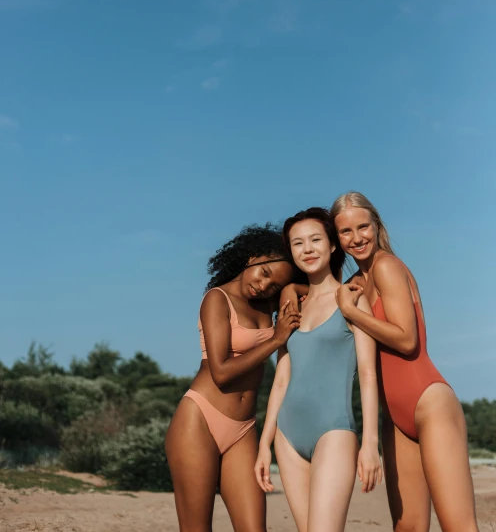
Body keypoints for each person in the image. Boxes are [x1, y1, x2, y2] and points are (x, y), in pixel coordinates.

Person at [331, 192, 479, 532]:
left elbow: (407, 340)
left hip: (429, 404)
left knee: (458, 526)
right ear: (336, 239)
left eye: (363, 227)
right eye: (346, 232)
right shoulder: (353, 284)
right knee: (408, 527)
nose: (357, 238)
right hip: (393, 418)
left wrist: (353, 312)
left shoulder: (387, 266)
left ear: (376, 224)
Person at [165, 224, 301, 532]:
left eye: (275, 285)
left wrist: (293, 288)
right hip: (200, 420)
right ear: (252, 257)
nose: (264, 286)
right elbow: (221, 372)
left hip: (244, 429)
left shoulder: (269, 304)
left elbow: (318, 291)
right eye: (264, 273)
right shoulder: (216, 299)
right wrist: (276, 340)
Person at [255, 208, 382, 532]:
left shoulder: (351, 301)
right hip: (287, 434)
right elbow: (281, 378)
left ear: (333, 245)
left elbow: (368, 375)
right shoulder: (290, 308)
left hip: (334, 431)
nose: (307, 249)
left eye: (315, 240)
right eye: (298, 243)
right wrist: (265, 442)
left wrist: (370, 443)